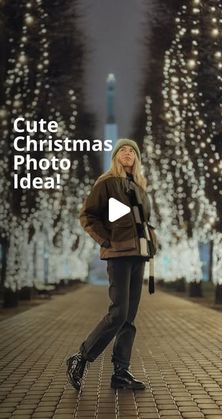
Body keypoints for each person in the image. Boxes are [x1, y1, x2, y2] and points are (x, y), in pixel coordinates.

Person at [66, 138, 158, 391]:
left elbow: (140, 221)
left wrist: (151, 239)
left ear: (137, 159)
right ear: (116, 156)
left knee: (128, 317)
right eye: (123, 150)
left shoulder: (139, 187)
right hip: (118, 254)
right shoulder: (106, 183)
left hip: (139, 254)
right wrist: (105, 239)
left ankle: (121, 372)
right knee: (118, 313)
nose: (128, 153)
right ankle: (81, 358)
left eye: (132, 151)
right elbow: (88, 216)